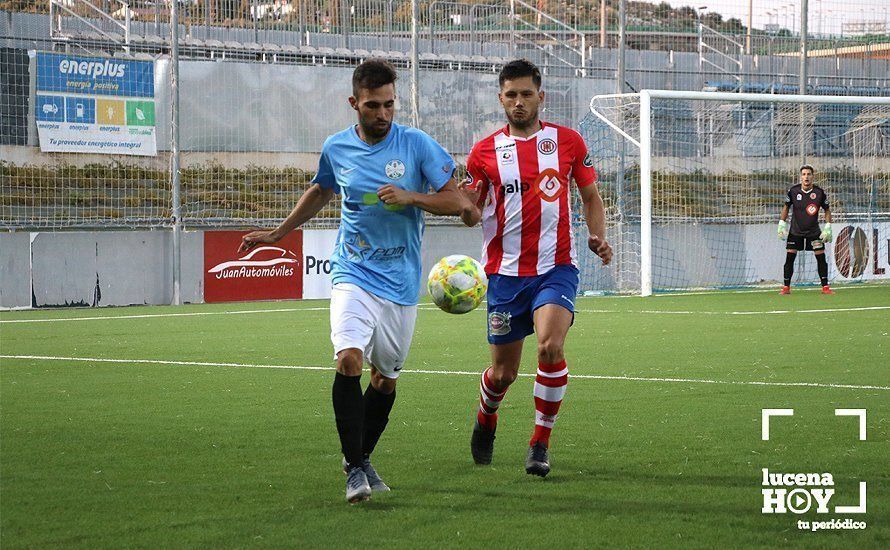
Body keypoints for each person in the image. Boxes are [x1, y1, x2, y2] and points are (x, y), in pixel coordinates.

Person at [240, 59, 466, 503]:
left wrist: (412, 197)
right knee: (348, 360)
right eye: (372, 106)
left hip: (400, 282)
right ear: (354, 103)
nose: (383, 114)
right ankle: (356, 471)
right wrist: (277, 233)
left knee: (385, 381)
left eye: (389, 105)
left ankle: (358, 457)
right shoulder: (337, 147)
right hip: (353, 272)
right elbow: (322, 190)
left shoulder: (417, 145)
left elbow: (457, 201)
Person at [459, 59, 612, 477]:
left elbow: (591, 196)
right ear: (501, 98)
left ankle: (539, 443)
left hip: (556, 267)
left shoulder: (568, 142)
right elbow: (471, 211)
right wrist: (465, 209)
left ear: (540, 96)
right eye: (511, 94)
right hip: (506, 276)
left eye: (527, 94)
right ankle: (486, 416)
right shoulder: (484, 153)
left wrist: (597, 236)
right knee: (504, 373)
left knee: (550, 346)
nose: (519, 102)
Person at [777, 165, 833, 295]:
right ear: (800, 176)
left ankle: (825, 287)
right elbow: (786, 207)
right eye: (804, 174)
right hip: (795, 231)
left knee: (821, 257)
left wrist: (828, 227)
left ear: (813, 176)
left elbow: (827, 210)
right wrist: (781, 224)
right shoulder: (793, 191)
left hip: (813, 232)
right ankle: (786, 287)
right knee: (790, 257)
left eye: (809, 174)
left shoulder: (819, 192)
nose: (806, 177)